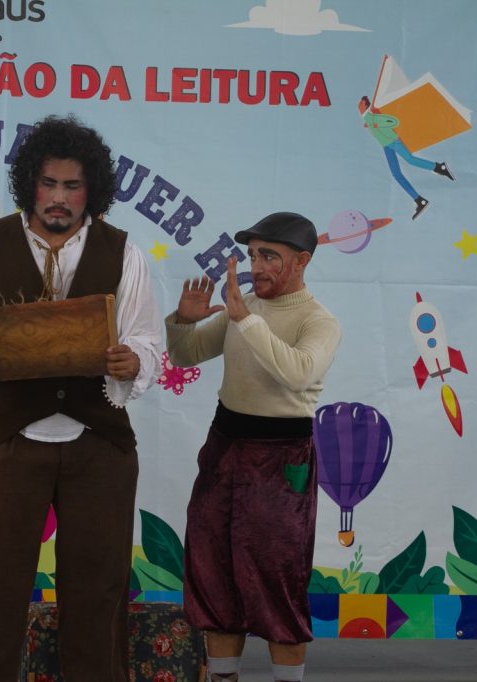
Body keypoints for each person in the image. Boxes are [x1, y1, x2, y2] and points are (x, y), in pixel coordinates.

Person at [0, 114, 162, 682]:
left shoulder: (125, 253)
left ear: (92, 189)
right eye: (49, 183)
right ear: (30, 185)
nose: (59, 198)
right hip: (11, 439)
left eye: (72, 185)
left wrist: (133, 360)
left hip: (99, 444)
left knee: (98, 588)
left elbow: (146, 339)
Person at [166, 212, 341, 682]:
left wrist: (246, 319)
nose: (256, 266)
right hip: (223, 450)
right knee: (215, 574)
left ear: (302, 261)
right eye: (252, 256)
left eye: (269, 257)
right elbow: (185, 354)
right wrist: (182, 323)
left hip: (282, 460)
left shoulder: (319, 321)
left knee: (278, 581)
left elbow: (298, 372)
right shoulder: (244, 309)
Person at [358, 95, 454, 220]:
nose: (358, 106)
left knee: (410, 160)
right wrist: (371, 127)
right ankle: (419, 200)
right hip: (386, 146)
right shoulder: (368, 121)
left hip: (393, 142)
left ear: (365, 105)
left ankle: (439, 167)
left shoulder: (373, 117)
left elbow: (394, 122)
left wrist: (377, 124)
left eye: (360, 104)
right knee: (396, 174)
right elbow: (376, 134)